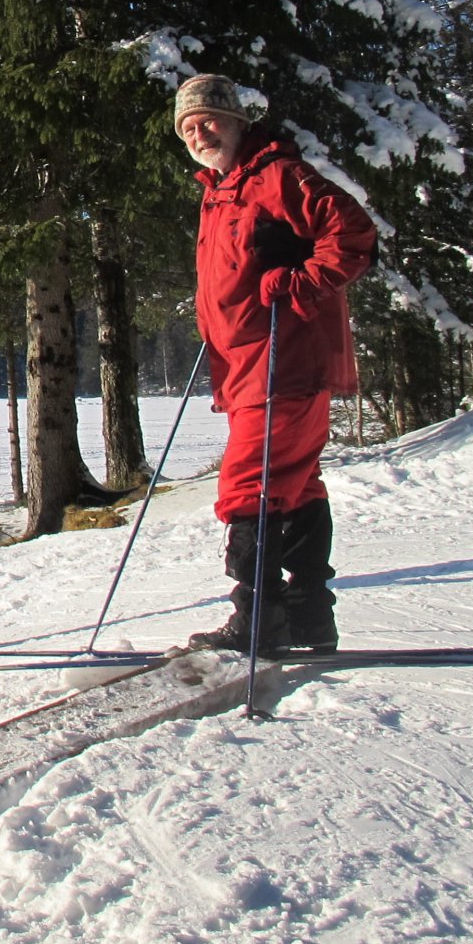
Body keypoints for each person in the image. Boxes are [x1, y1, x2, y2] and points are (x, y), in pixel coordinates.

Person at [173, 73, 376, 655]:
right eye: (188, 126)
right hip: (249, 367)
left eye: (209, 119)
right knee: (296, 485)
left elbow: (353, 234)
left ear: (238, 121)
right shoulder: (220, 191)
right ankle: (310, 616)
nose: (199, 132)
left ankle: (256, 621)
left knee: (250, 486)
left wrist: (299, 282)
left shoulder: (276, 177)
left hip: (284, 362)